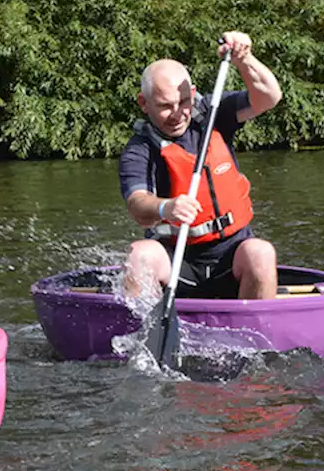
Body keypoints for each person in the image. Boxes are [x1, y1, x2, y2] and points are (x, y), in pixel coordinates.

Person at [118, 31, 283, 301]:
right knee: (139, 255)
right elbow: (138, 205)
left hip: (230, 254)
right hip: (176, 260)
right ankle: (140, 335)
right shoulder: (139, 148)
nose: (177, 113)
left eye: (183, 102)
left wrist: (244, 59)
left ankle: (258, 337)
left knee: (261, 252)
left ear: (192, 94)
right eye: (165, 106)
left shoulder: (212, 113)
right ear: (144, 104)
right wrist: (166, 207)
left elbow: (269, 97)